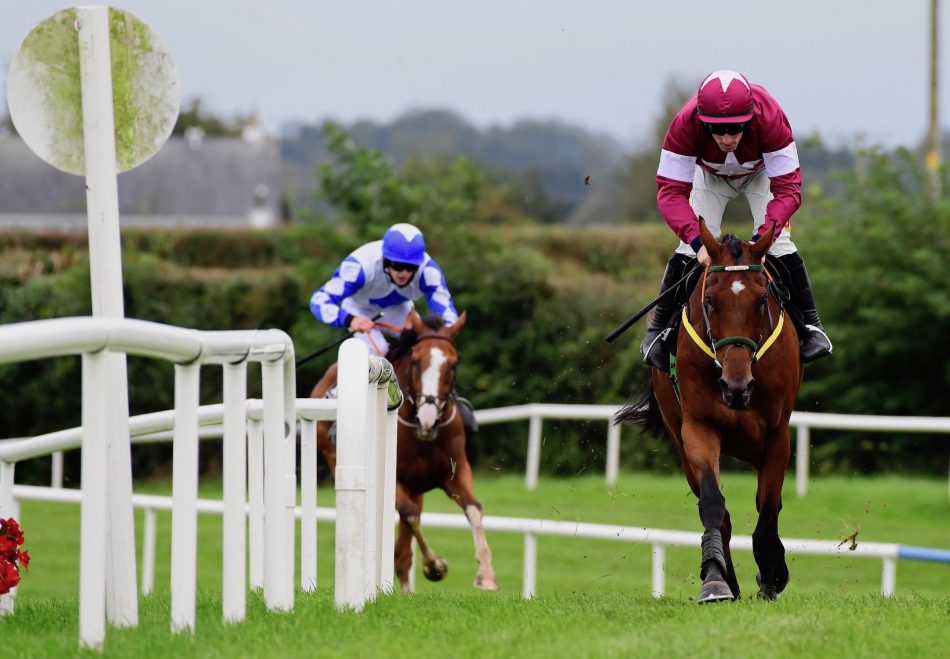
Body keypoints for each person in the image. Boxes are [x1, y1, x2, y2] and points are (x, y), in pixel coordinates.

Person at [642, 69, 832, 370]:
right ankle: (657, 332)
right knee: (687, 248)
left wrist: (760, 241)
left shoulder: (771, 117)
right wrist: (698, 243)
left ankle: (812, 327)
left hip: (761, 174)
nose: (727, 139)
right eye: (717, 131)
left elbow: (788, 190)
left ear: (751, 118)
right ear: (702, 121)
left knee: (779, 244)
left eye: (736, 129)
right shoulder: (684, 124)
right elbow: (670, 192)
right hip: (709, 177)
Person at [310, 222, 478, 433]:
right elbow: (319, 300)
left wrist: (446, 334)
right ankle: (336, 401)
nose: (404, 273)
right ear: (385, 260)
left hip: (400, 310)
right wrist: (349, 319)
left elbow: (445, 309)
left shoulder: (429, 271)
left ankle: (451, 401)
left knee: (429, 351)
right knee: (379, 351)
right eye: (397, 266)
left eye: (411, 268)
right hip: (359, 311)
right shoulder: (360, 266)